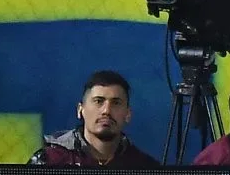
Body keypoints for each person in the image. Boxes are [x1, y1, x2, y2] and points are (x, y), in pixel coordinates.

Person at [28, 70, 158, 167]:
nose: (106, 111)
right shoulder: (50, 160)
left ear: (128, 114)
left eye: (116, 103)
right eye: (98, 101)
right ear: (80, 110)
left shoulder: (144, 167)